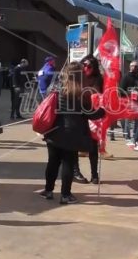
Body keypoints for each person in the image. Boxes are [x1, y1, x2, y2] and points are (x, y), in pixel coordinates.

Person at [39, 62, 105, 204]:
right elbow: (92, 114)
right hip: (72, 134)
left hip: (54, 132)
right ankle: (65, 195)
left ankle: (48, 191)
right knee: (68, 163)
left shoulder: (56, 89)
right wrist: (104, 109)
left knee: (53, 162)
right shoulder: (81, 94)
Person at [72, 55, 104, 184]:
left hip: (92, 116)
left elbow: (102, 95)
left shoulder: (99, 79)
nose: (86, 68)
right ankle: (76, 171)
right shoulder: (77, 78)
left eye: (89, 66)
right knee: (73, 145)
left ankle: (94, 175)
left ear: (94, 67)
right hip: (77, 115)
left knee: (92, 146)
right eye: (84, 65)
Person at [119, 61, 138, 144]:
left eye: (136, 66)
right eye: (133, 66)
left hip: (136, 101)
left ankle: (135, 135)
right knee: (127, 119)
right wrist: (130, 93)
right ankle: (127, 135)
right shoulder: (126, 77)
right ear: (130, 67)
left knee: (136, 119)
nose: (135, 68)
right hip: (127, 101)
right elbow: (120, 90)